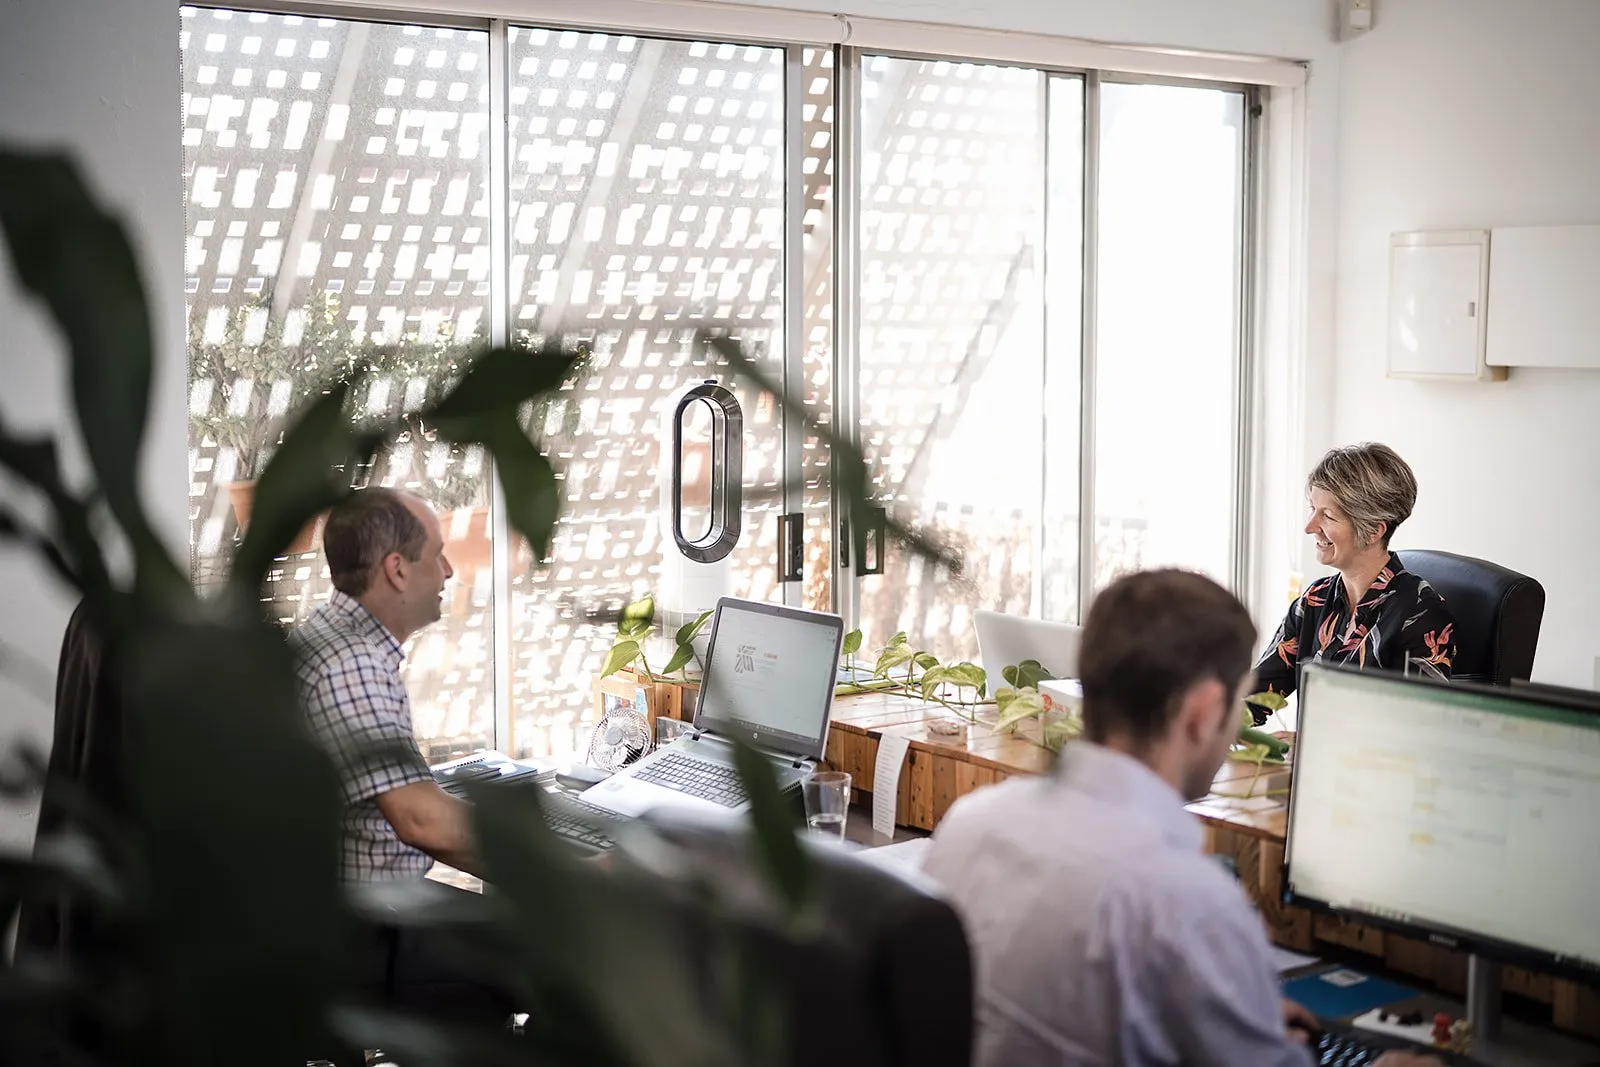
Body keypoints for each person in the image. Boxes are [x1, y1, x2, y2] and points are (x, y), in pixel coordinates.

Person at [922, 569, 1439, 1067]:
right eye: (1238, 706)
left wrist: (1235, 1014)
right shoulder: (1188, 901)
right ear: (1202, 712)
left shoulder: (969, 825)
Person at [291, 487, 509, 1024]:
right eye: (436, 553)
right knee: (560, 960)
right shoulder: (353, 667)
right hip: (359, 932)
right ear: (398, 570)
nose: (450, 571)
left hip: (335, 911)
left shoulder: (325, 632)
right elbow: (419, 822)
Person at [1254, 443, 1456, 699]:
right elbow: (1254, 696)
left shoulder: (1421, 613)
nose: (1309, 526)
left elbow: (1415, 728)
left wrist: (1307, 739)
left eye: (1327, 516)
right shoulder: (1315, 599)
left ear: (1373, 531)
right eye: (1312, 509)